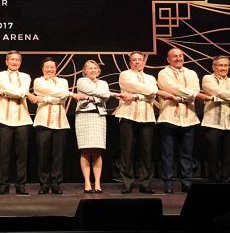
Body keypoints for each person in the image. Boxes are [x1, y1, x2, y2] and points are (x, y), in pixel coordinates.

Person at [156, 48, 200, 193]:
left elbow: (195, 90)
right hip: (169, 118)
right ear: (168, 59)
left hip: (189, 118)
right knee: (168, 154)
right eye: (174, 56)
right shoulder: (163, 73)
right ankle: (168, 183)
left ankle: (186, 183)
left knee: (186, 154)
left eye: (180, 56)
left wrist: (182, 96)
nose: (178, 58)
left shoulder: (191, 73)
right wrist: (189, 95)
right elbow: (170, 87)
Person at [117, 51, 161, 193]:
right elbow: (140, 88)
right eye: (134, 60)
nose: (137, 62)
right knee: (127, 150)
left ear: (144, 61)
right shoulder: (125, 75)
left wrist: (136, 97)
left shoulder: (150, 77)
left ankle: (145, 183)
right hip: (128, 115)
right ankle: (127, 182)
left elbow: (152, 95)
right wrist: (148, 92)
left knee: (146, 151)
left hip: (147, 116)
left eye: (139, 59)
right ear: (130, 62)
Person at [31, 57, 75, 194]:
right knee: (43, 154)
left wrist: (44, 98)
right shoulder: (38, 81)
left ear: (56, 69)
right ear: (42, 69)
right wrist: (63, 95)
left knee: (58, 155)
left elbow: (62, 97)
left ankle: (56, 183)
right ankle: (44, 183)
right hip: (43, 121)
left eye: (52, 67)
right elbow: (44, 91)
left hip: (60, 122)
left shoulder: (63, 81)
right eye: (47, 67)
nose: (50, 69)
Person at [0, 50, 32, 195]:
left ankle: (21, 185)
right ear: (6, 61)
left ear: (20, 62)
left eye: (17, 60)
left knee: (22, 155)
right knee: (4, 154)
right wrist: (22, 93)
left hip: (22, 119)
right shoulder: (0, 75)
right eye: (12, 59)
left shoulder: (26, 76)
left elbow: (20, 90)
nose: (14, 62)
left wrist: (19, 92)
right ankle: (3, 185)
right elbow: (6, 89)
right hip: (4, 118)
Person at [75, 60, 113, 193]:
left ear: (99, 71)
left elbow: (106, 97)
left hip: (99, 116)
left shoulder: (103, 83)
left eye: (95, 68)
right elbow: (99, 93)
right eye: (89, 68)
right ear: (84, 71)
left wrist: (92, 98)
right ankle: (87, 182)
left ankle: (97, 183)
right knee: (85, 150)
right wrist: (99, 96)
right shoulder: (81, 81)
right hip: (84, 115)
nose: (92, 70)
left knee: (97, 151)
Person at [200, 56, 230, 183]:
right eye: (220, 65)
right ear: (213, 67)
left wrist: (220, 97)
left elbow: (227, 96)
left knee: (229, 153)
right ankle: (213, 179)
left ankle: (227, 178)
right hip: (212, 122)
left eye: (226, 65)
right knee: (213, 153)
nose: (223, 68)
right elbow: (217, 92)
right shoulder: (208, 78)